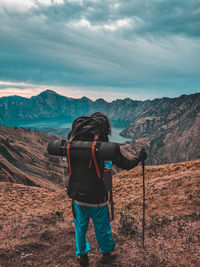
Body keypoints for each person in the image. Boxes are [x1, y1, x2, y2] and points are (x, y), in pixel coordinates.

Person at [67, 113, 147, 266]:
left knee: (80, 227)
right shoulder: (103, 147)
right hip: (97, 197)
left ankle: (82, 255)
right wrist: (139, 158)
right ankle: (106, 253)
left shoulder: (74, 143)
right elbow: (125, 164)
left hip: (76, 195)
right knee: (102, 227)